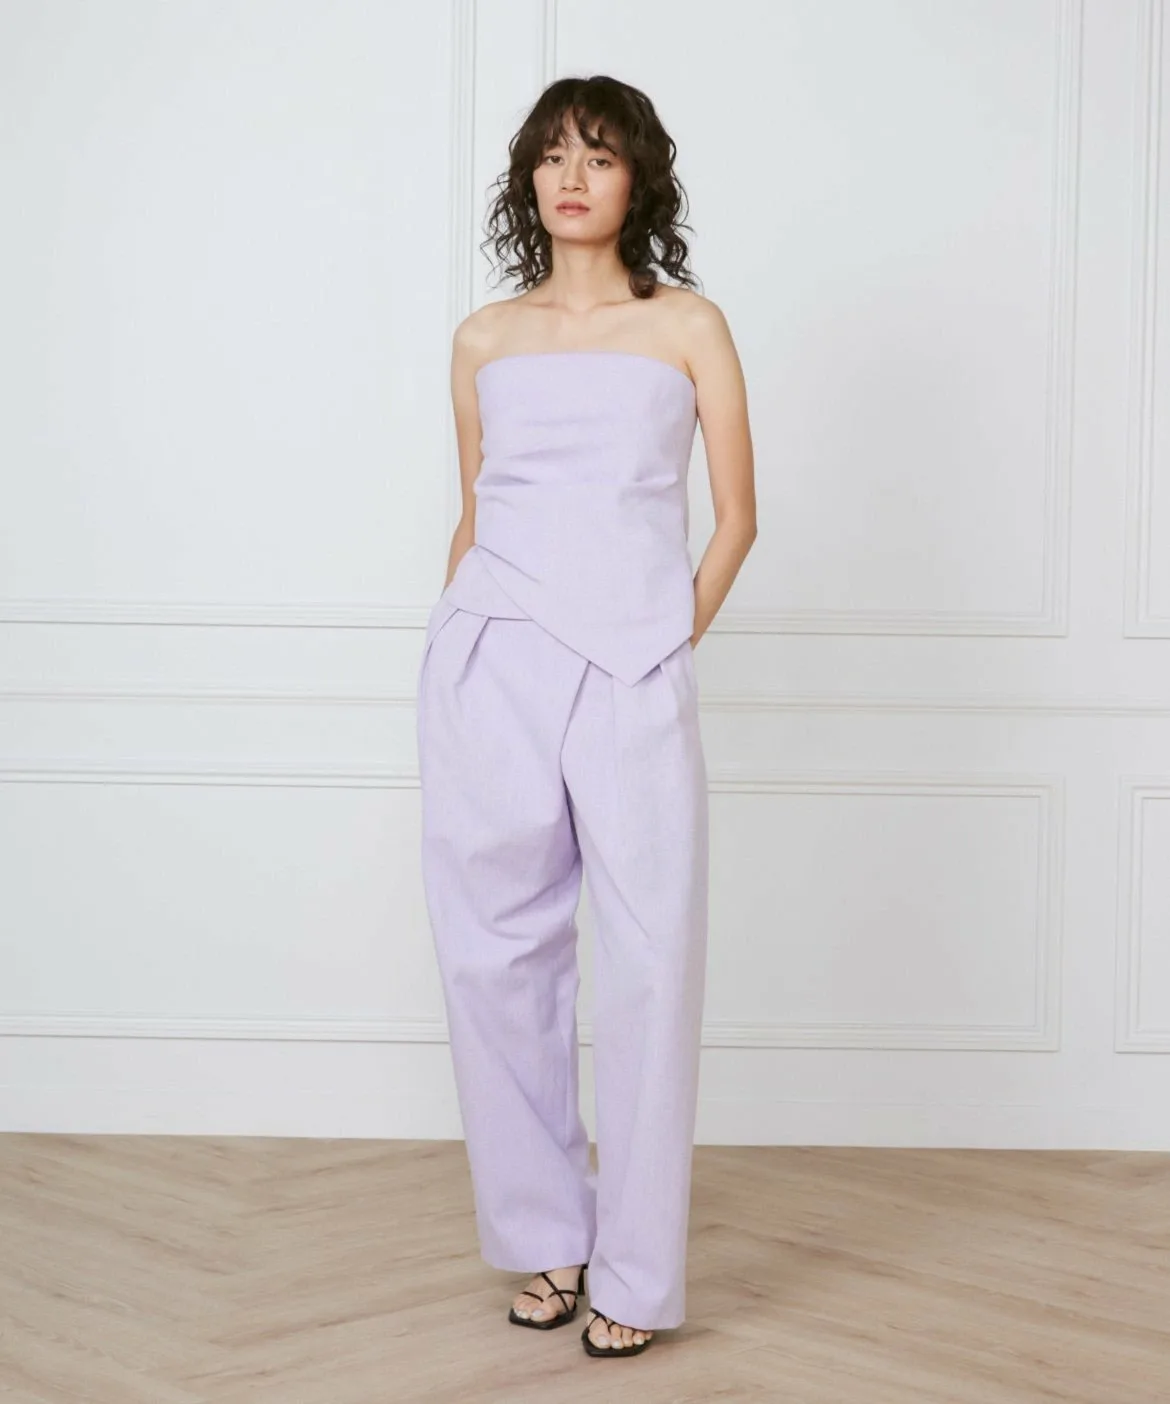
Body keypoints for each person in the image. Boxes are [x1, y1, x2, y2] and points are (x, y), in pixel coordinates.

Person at [416, 74, 757, 1358]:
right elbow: (477, 510)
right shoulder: (482, 340)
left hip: (631, 664)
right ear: (528, 179)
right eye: (553, 154)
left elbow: (738, 519)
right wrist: (453, 644)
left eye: (600, 156)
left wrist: (669, 637)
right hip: (490, 657)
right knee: (493, 955)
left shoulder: (690, 327)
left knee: (653, 960)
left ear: (637, 180)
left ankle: (636, 1273)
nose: (572, 176)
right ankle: (546, 1238)